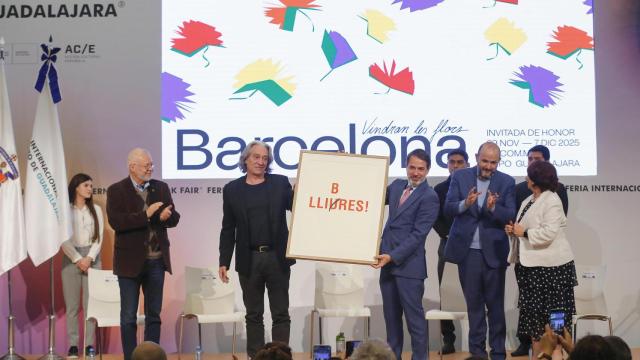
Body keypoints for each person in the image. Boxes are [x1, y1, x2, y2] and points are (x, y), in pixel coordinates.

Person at [219, 141, 294, 358]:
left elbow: (297, 204)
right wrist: (224, 260)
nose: (261, 162)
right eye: (256, 157)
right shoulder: (232, 189)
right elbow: (228, 228)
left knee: (280, 313)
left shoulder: (280, 183)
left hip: (276, 257)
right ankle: (256, 357)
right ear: (246, 159)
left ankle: (281, 357)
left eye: (265, 158)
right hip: (248, 259)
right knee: (253, 315)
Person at [443, 142, 516, 360]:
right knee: (474, 306)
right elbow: (448, 208)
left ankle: (499, 353)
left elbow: (510, 214)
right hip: (468, 253)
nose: (488, 166)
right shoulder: (460, 177)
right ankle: (477, 354)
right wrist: (466, 203)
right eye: (485, 161)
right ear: (477, 157)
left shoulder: (507, 181)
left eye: (493, 162)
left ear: (498, 162)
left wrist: (493, 207)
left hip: (493, 252)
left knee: (495, 306)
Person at [106, 148, 180, 360]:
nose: (150, 168)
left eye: (151, 165)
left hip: (156, 262)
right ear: (132, 167)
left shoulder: (161, 187)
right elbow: (117, 222)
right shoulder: (116, 190)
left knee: (153, 316)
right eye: (146, 165)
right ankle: (131, 357)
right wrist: (146, 215)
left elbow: (174, 218)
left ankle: (152, 357)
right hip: (129, 263)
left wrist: (167, 216)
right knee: (129, 316)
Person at [505, 160, 577, 359]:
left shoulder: (552, 200)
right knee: (536, 326)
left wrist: (524, 232)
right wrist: (514, 231)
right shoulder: (528, 200)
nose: (526, 178)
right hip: (531, 271)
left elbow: (549, 233)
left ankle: (556, 354)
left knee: (555, 324)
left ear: (535, 179)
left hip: (552, 271)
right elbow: (524, 230)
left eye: (529, 175)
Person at [373, 148, 440, 360]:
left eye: (421, 169)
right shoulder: (395, 186)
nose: (416, 173)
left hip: (409, 267)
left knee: (415, 323)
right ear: (406, 166)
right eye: (412, 167)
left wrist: (392, 256)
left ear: (428, 170)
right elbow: (369, 196)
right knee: (392, 323)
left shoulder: (430, 197)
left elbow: (418, 236)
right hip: (387, 265)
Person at [61, 173, 104, 357]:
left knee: (90, 305)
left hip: (93, 259)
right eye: (86, 185)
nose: (89, 188)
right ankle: (73, 345)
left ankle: (89, 345)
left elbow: (99, 237)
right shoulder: (65, 210)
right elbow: (62, 238)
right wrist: (78, 258)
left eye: (90, 185)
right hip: (71, 257)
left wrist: (89, 258)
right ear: (76, 187)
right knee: (72, 306)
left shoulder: (96, 209)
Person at [432, 149, 469, 354]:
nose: (455, 165)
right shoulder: (439, 189)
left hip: (472, 245)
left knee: (474, 290)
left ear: (467, 164)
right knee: (445, 291)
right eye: (452, 162)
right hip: (447, 244)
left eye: (460, 162)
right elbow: (434, 219)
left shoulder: (475, 186)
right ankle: (449, 339)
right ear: (447, 164)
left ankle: (477, 338)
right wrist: (449, 236)